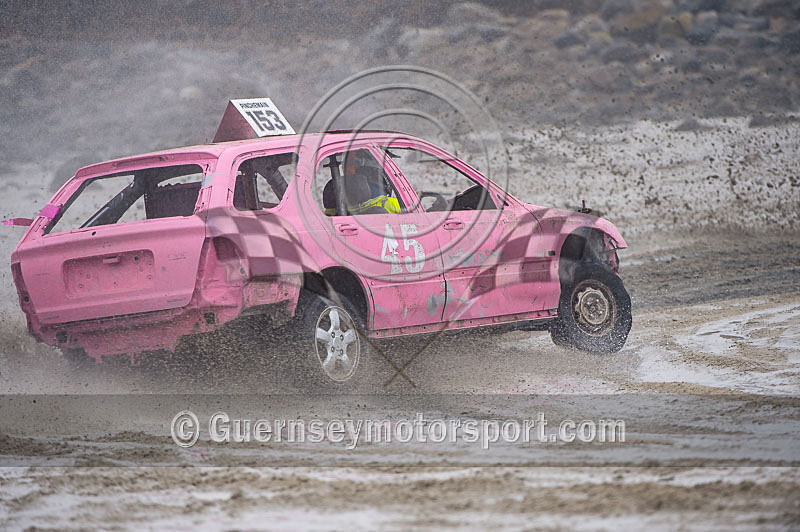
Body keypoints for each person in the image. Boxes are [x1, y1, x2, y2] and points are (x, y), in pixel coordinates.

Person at [322, 151, 401, 215]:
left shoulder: (331, 215)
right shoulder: (394, 205)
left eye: (349, 163)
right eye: (347, 163)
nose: (344, 168)